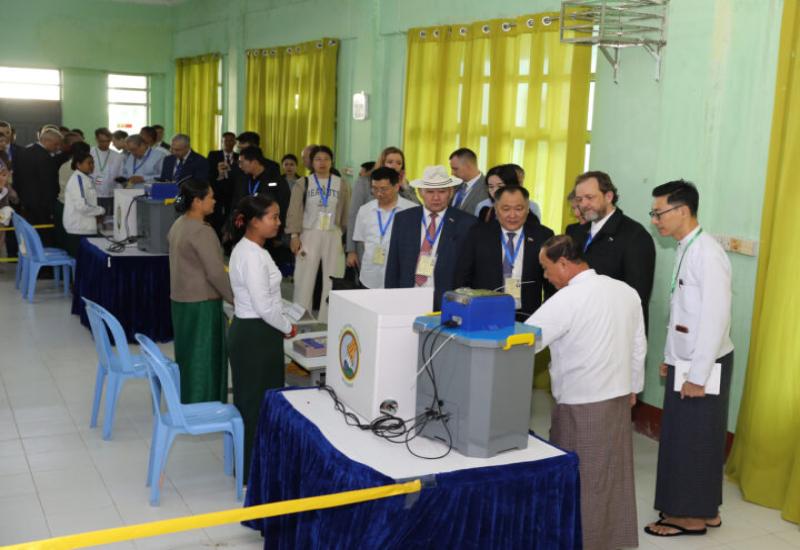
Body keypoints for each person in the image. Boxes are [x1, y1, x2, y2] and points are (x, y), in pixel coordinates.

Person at [525, 234, 645, 550]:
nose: (546, 276)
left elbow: (527, 340)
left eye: (546, 268)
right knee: (613, 475)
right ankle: (614, 538)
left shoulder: (567, 299)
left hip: (582, 403)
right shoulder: (625, 291)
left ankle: (583, 542)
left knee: (583, 480)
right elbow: (638, 345)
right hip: (619, 398)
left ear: (564, 263)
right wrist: (634, 386)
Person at [644, 180, 733, 538]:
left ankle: (690, 518)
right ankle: (706, 510)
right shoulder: (687, 246)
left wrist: (697, 375)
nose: (655, 221)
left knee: (693, 440)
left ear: (682, 211)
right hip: (690, 360)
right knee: (691, 437)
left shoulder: (707, 253)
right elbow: (683, 311)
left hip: (704, 364)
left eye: (659, 213)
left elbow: (714, 318)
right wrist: (671, 358)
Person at [228, 195, 297, 480]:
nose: (278, 223)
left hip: (259, 331)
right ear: (254, 222)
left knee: (261, 401)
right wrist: (287, 326)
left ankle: (258, 465)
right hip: (255, 334)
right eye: (273, 217)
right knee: (254, 404)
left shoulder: (255, 249)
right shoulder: (251, 255)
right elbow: (263, 306)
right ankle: (251, 473)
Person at [167, 180, 233, 404]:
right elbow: (215, 273)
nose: (214, 201)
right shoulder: (202, 232)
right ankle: (205, 404)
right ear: (197, 201)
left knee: (188, 355)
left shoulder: (179, 224)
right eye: (210, 197)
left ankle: (188, 399)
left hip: (181, 300)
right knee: (204, 358)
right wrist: (234, 298)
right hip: (202, 304)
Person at [384, 165, 477, 310]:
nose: (436, 197)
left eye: (442, 191)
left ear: (450, 192)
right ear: (421, 192)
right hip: (407, 296)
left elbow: (470, 271)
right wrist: (391, 299)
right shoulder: (403, 219)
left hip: (446, 300)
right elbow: (393, 264)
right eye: (430, 192)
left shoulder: (466, 223)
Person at [455, 185, 554, 320]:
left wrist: (547, 315)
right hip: (484, 313)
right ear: (496, 209)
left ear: (527, 210)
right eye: (506, 209)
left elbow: (551, 283)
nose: (512, 215)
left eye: (519, 209)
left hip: (529, 317)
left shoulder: (543, 236)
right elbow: (462, 278)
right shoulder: (477, 235)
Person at [572, 170, 656, 323]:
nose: (583, 204)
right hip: (581, 322)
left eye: (589, 197)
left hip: (614, 326)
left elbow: (636, 296)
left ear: (608, 196)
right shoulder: (577, 232)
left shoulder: (635, 235)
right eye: (579, 199)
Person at [286, 145, 350, 321]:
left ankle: (328, 317)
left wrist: (344, 235)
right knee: (304, 276)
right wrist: (294, 235)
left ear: (332, 161)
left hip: (333, 233)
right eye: (318, 159)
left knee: (333, 275)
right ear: (311, 162)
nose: (322, 163)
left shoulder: (341, 184)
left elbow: (346, 212)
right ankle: (300, 315)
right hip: (309, 233)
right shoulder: (303, 183)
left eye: (326, 159)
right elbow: (294, 211)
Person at [346, 146, 419, 264]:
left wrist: (405, 187)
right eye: (390, 162)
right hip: (368, 243)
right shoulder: (364, 182)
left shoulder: (403, 184)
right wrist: (351, 250)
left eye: (399, 163)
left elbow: (419, 210)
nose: (394, 166)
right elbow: (353, 215)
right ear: (382, 163)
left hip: (395, 246)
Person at [349, 167, 417, 288]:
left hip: (399, 275)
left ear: (396, 187)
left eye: (384, 189)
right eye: (374, 188)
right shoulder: (365, 210)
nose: (379, 193)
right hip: (370, 275)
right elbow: (362, 241)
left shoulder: (412, 210)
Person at [13, 127, 62, 245]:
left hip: (25, 203)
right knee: (44, 237)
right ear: (46, 141)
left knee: (30, 235)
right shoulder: (46, 158)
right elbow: (49, 185)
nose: (58, 147)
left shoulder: (23, 152)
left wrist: (21, 198)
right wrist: (52, 206)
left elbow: (16, 178)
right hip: (43, 205)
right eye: (56, 144)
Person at [62, 151, 104, 258]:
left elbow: (97, 189)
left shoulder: (87, 178)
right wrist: (101, 211)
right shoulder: (78, 179)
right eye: (89, 163)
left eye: (93, 163)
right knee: (80, 261)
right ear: (78, 164)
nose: (92, 166)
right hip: (79, 229)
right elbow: (82, 206)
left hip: (85, 227)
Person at [474, 164, 542, 223]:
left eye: (500, 186)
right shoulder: (484, 209)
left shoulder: (531, 208)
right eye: (491, 187)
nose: (495, 191)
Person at [207, 131, 239, 238]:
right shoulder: (213, 155)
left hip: (233, 193)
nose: (229, 143)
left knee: (231, 218)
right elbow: (209, 174)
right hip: (217, 192)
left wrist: (231, 170)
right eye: (226, 141)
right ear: (222, 142)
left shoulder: (239, 157)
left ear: (235, 142)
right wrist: (219, 174)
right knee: (216, 218)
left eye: (231, 141)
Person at [91, 128, 124, 214]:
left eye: (108, 141)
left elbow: (120, 176)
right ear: (96, 139)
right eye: (102, 141)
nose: (105, 144)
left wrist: (119, 194)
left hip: (111, 194)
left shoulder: (118, 156)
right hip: (93, 194)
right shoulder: (90, 153)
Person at [448, 147, 489, 215]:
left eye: (455, 169)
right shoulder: (455, 185)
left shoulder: (487, 188)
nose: (452, 173)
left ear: (469, 166)